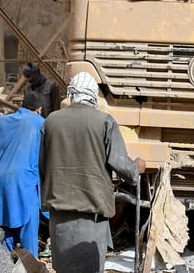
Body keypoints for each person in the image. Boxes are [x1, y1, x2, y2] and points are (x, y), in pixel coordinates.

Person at [39, 72, 146, 273]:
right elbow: (121, 164)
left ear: (71, 94)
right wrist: (136, 168)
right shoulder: (104, 121)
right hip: (92, 212)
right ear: (93, 96)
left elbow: (44, 167)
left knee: (64, 268)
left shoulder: (51, 121)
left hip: (60, 213)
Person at [0, 90, 46, 258]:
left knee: (6, 227)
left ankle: (5, 264)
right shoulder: (40, 123)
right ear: (39, 109)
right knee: (28, 229)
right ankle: (31, 266)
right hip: (23, 182)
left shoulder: (3, 120)